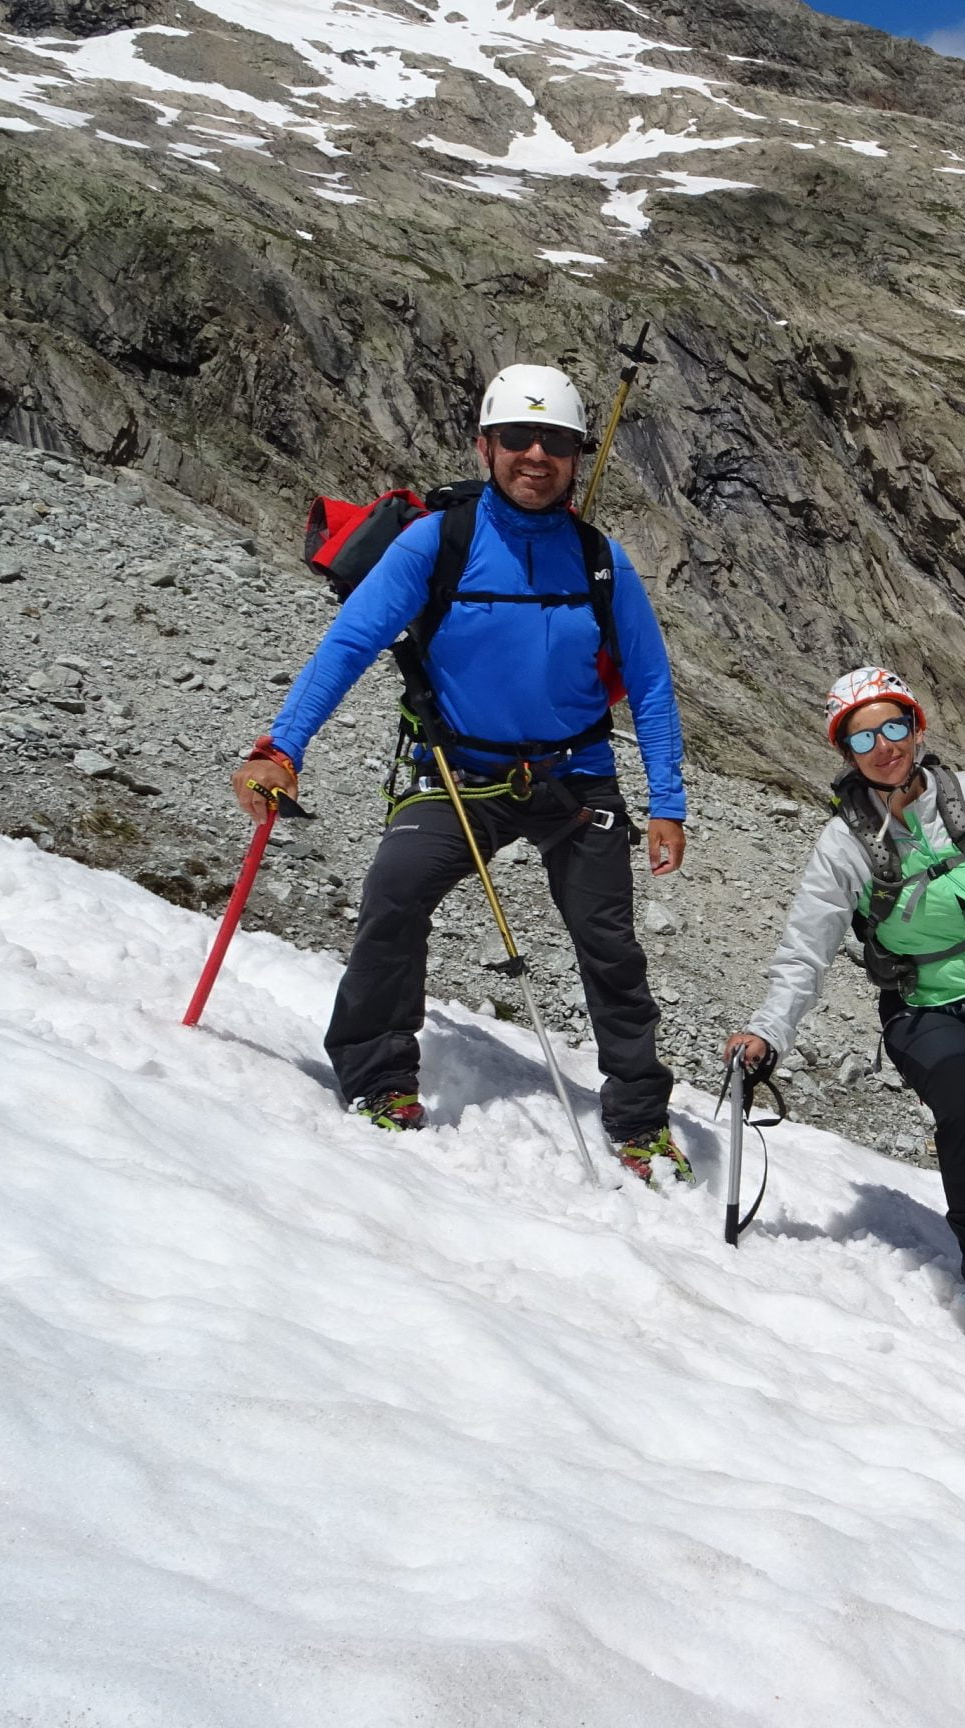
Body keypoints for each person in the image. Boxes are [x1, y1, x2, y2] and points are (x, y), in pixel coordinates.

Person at [234, 363, 692, 1181]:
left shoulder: (597, 560)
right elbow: (352, 641)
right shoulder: (436, 542)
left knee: (609, 944)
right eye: (519, 438)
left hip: (576, 777)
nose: (536, 457)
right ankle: (378, 1079)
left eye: (556, 443)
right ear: (485, 445)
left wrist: (668, 799)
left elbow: (652, 683)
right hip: (456, 773)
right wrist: (283, 746)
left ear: (578, 457)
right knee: (395, 893)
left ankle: (640, 1119)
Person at [728, 667, 965, 1348]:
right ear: (847, 752)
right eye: (864, 737)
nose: (885, 746)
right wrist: (769, 1028)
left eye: (894, 727)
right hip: (925, 1008)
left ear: (916, 728)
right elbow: (809, 945)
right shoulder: (844, 846)